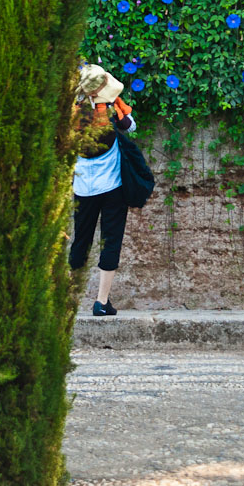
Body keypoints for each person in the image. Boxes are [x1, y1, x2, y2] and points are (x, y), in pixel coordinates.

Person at [69, 64, 137, 316]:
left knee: (81, 241)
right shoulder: (111, 110)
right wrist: (114, 104)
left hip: (83, 187)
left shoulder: (73, 113)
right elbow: (131, 127)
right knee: (111, 240)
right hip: (113, 187)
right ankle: (101, 301)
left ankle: (70, 300)